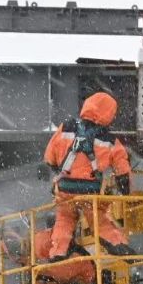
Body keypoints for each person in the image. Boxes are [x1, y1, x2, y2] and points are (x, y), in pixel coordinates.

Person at [43, 92, 133, 262]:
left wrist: (60, 173)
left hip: (64, 190)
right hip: (91, 192)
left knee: (64, 219)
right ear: (110, 114)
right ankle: (118, 245)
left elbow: (49, 157)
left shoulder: (66, 128)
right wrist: (125, 191)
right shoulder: (109, 139)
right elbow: (122, 171)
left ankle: (58, 253)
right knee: (99, 221)